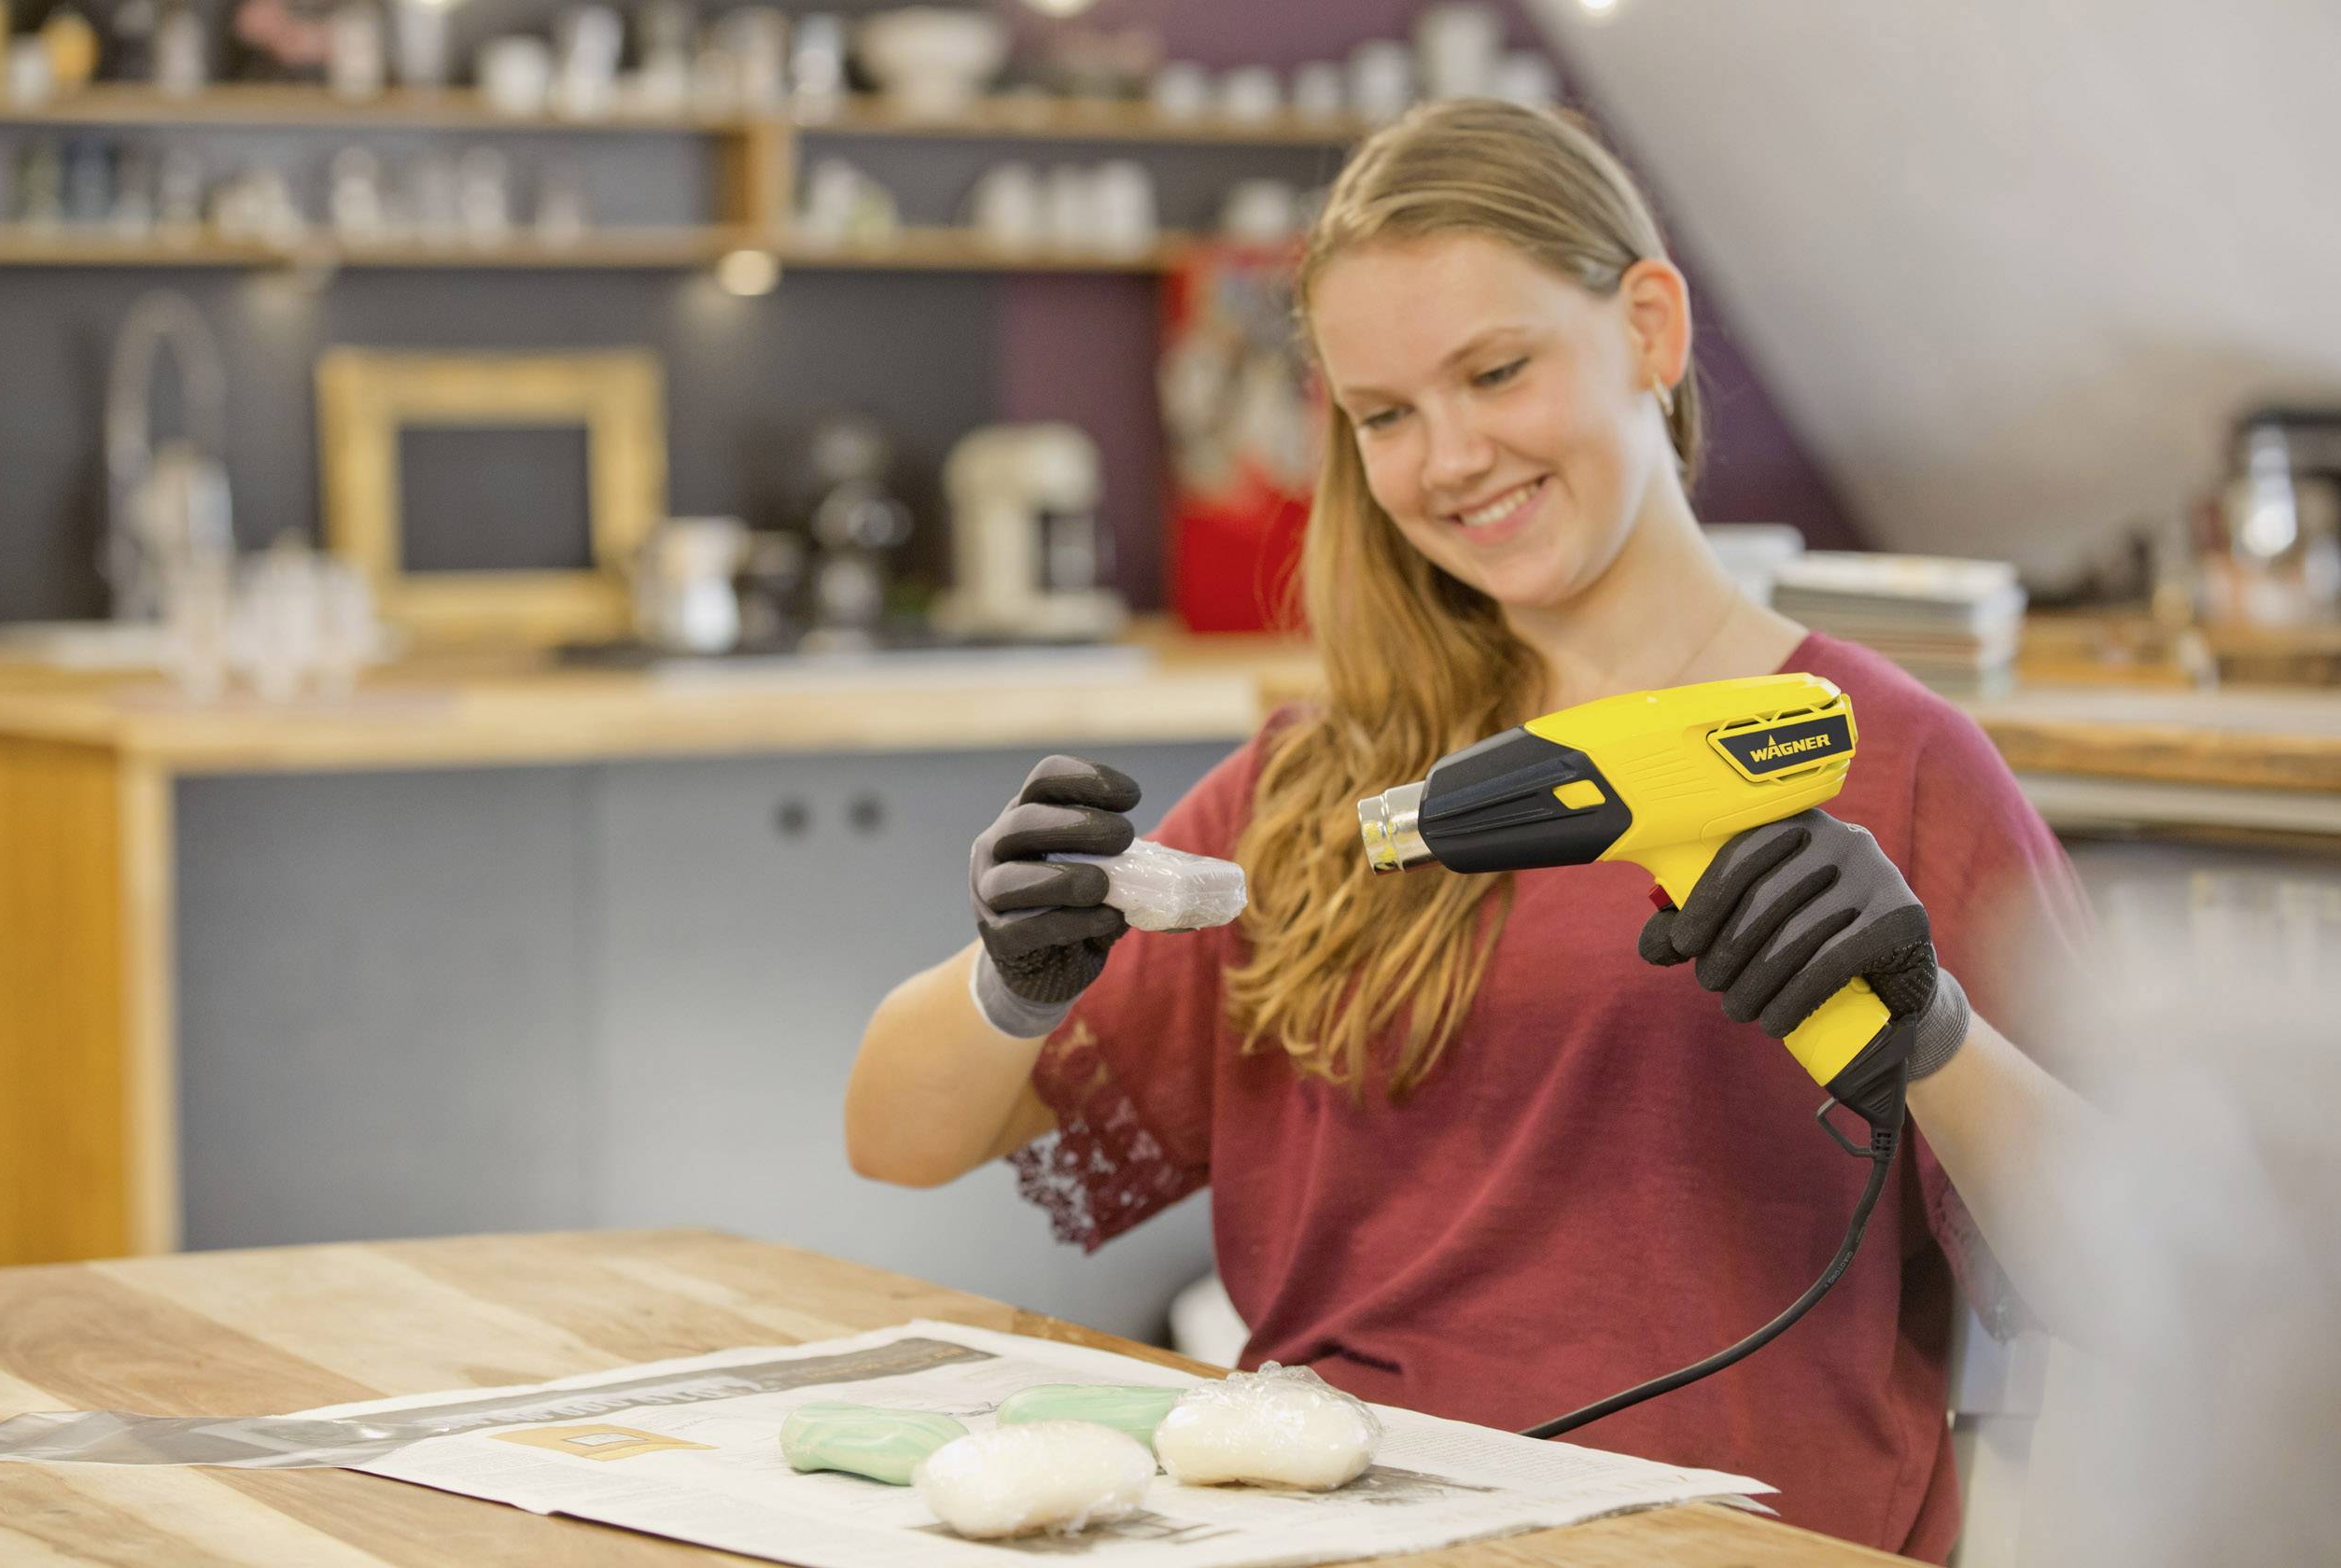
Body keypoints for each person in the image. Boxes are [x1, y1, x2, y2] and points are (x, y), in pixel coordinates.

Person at [848, 100, 2096, 1562]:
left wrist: (1931, 1030)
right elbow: (896, 1138)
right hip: (1328, 1529)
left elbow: (2142, 1272)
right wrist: (1011, 977)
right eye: (1383, 415)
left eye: (1495, 372)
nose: (1447, 460)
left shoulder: (1891, 764)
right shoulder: (1331, 784)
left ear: (1648, 326)